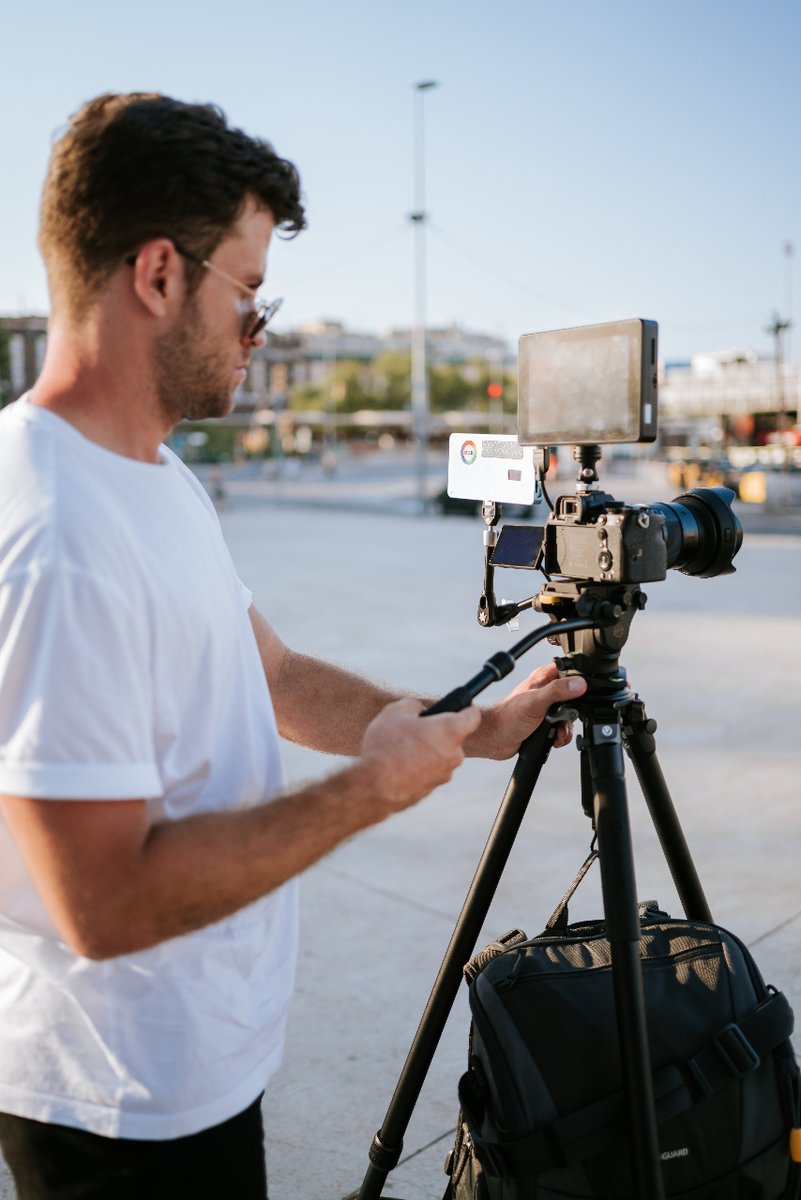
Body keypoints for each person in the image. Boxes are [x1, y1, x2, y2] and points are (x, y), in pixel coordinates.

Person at [0, 93, 586, 1199]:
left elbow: (264, 673)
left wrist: (460, 731)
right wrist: (371, 792)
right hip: (119, 1106)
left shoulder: (155, 475)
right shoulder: (52, 534)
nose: (259, 333)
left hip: (198, 1057)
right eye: (252, 294)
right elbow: (104, 904)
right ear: (160, 274)